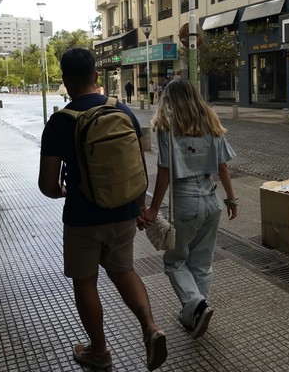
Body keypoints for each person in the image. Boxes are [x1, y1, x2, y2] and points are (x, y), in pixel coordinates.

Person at [38, 48, 167, 371]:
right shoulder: (121, 110)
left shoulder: (59, 122)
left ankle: (99, 352)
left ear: (65, 81)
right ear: (96, 76)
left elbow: (47, 184)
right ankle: (150, 326)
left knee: (85, 282)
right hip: (123, 212)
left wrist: (63, 191)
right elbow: (137, 166)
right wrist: (139, 205)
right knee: (124, 271)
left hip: (83, 217)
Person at [142, 78, 238, 340]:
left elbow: (164, 171)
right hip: (212, 199)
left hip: (185, 200)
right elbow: (223, 167)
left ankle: (196, 304)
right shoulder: (211, 122)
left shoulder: (166, 126)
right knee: (202, 263)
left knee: (174, 261)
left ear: (168, 99)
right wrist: (232, 199)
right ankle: (195, 314)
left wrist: (152, 209)